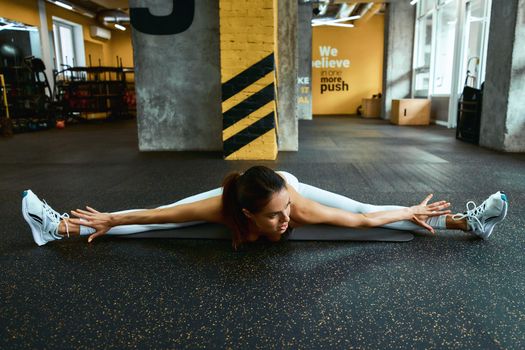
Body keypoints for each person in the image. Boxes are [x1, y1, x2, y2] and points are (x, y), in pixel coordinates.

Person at [21, 165, 508, 250]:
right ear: (247, 214)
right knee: (159, 229)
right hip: (236, 204)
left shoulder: (294, 205)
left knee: (376, 222)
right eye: (275, 216)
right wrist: (106, 217)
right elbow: (156, 213)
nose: (286, 220)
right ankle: (56, 227)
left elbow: (360, 214)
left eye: (285, 213)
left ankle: (469, 223)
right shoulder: (220, 207)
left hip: (283, 182)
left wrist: (406, 208)